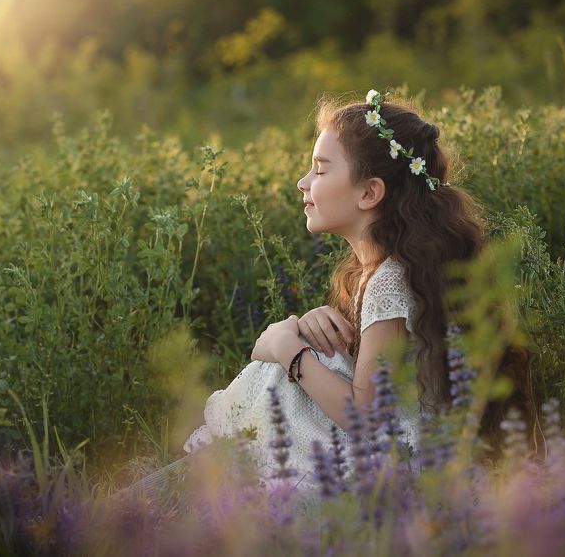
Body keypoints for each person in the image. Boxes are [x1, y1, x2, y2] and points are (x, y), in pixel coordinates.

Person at [182, 90, 519, 493]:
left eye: (320, 171)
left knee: (277, 379)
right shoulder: (382, 273)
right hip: (403, 453)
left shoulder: (389, 280)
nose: (302, 183)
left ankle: (203, 484)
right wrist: (299, 331)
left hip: (398, 468)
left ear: (369, 193)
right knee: (280, 367)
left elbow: (364, 413)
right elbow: (268, 349)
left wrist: (289, 349)